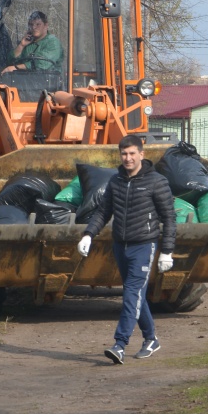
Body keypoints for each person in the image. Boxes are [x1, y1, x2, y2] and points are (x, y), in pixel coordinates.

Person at [78, 135, 175, 365]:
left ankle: (120, 344)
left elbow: (169, 217)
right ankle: (151, 339)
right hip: (120, 246)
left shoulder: (156, 182)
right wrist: (88, 234)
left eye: (132, 154)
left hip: (144, 245)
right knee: (137, 295)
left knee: (131, 293)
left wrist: (167, 251)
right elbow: (103, 211)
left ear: (142, 154)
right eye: (124, 154)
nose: (128, 158)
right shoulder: (116, 181)